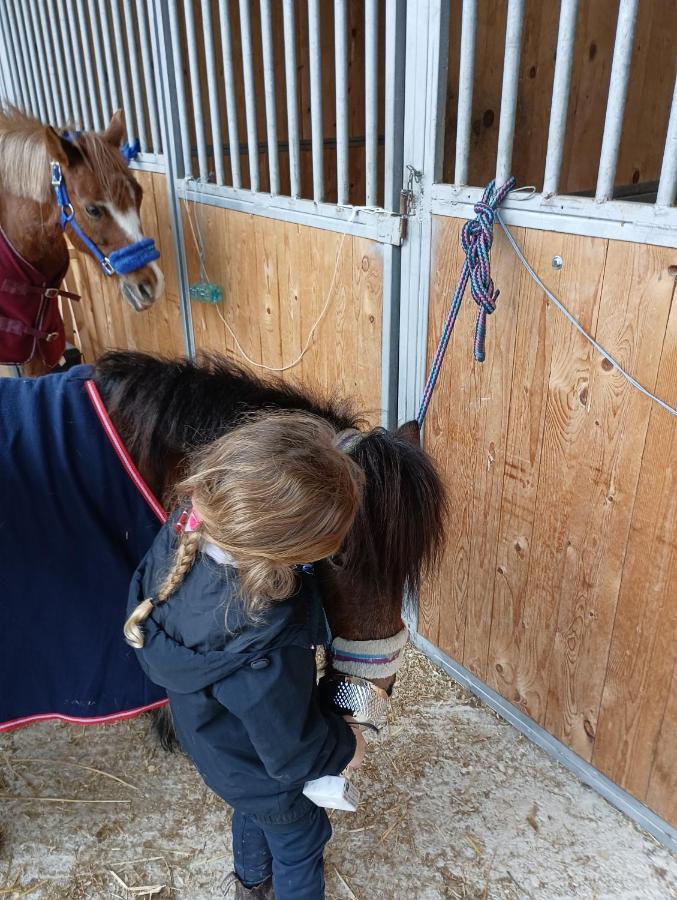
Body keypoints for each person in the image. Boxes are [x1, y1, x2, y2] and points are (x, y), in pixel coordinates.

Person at [124, 411, 367, 900]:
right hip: (263, 770)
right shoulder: (262, 642)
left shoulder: (183, 531)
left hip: (215, 748)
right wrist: (348, 745)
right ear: (294, 551)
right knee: (299, 840)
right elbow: (293, 753)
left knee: (253, 811)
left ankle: (251, 886)